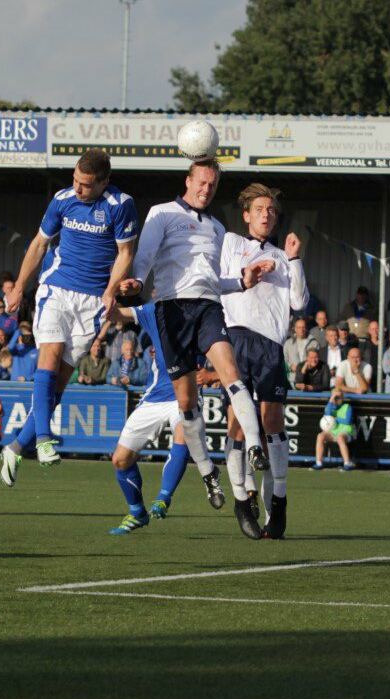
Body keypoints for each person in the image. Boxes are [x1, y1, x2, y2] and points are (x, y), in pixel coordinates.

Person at [118, 158, 272, 536]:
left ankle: (254, 446)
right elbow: (144, 258)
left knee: (230, 373)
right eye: (202, 182)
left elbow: (213, 280)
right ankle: (208, 474)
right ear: (188, 181)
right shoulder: (163, 213)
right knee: (186, 404)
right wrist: (134, 283)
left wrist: (241, 281)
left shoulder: (217, 227)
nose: (207, 189)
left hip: (207, 308)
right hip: (171, 310)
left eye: (213, 185)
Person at [0, 149, 138, 480]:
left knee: (58, 386)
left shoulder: (121, 205)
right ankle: (44, 440)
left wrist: (109, 290)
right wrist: (19, 285)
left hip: (92, 303)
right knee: (50, 353)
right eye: (75, 181)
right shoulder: (63, 199)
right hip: (56, 288)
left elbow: (126, 253)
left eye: (87, 185)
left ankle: (15, 447)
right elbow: (38, 245)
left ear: (104, 182)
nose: (78, 189)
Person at [217, 182, 307, 539]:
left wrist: (295, 258)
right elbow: (216, 280)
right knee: (237, 425)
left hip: (270, 345)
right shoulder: (231, 244)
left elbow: (299, 302)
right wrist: (246, 277)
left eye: (271, 210)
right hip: (235, 338)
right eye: (259, 210)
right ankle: (242, 499)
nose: (266, 215)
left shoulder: (284, 258)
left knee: (271, 422)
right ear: (246, 215)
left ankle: (279, 505)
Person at [102, 302, 226, 534]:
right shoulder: (153, 311)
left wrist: (213, 373)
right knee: (120, 459)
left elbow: (230, 353)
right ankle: (137, 512)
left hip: (185, 395)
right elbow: (116, 313)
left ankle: (163, 498)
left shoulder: (202, 312)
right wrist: (111, 295)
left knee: (183, 436)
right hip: (153, 397)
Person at [313, 389, 356, 471]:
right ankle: (319, 463)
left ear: (342, 398)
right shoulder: (330, 407)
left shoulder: (347, 407)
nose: (337, 400)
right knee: (320, 436)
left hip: (346, 432)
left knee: (340, 437)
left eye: (338, 398)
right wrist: (331, 400)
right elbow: (327, 416)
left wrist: (335, 419)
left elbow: (347, 421)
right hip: (333, 432)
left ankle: (347, 463)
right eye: (335, 398)